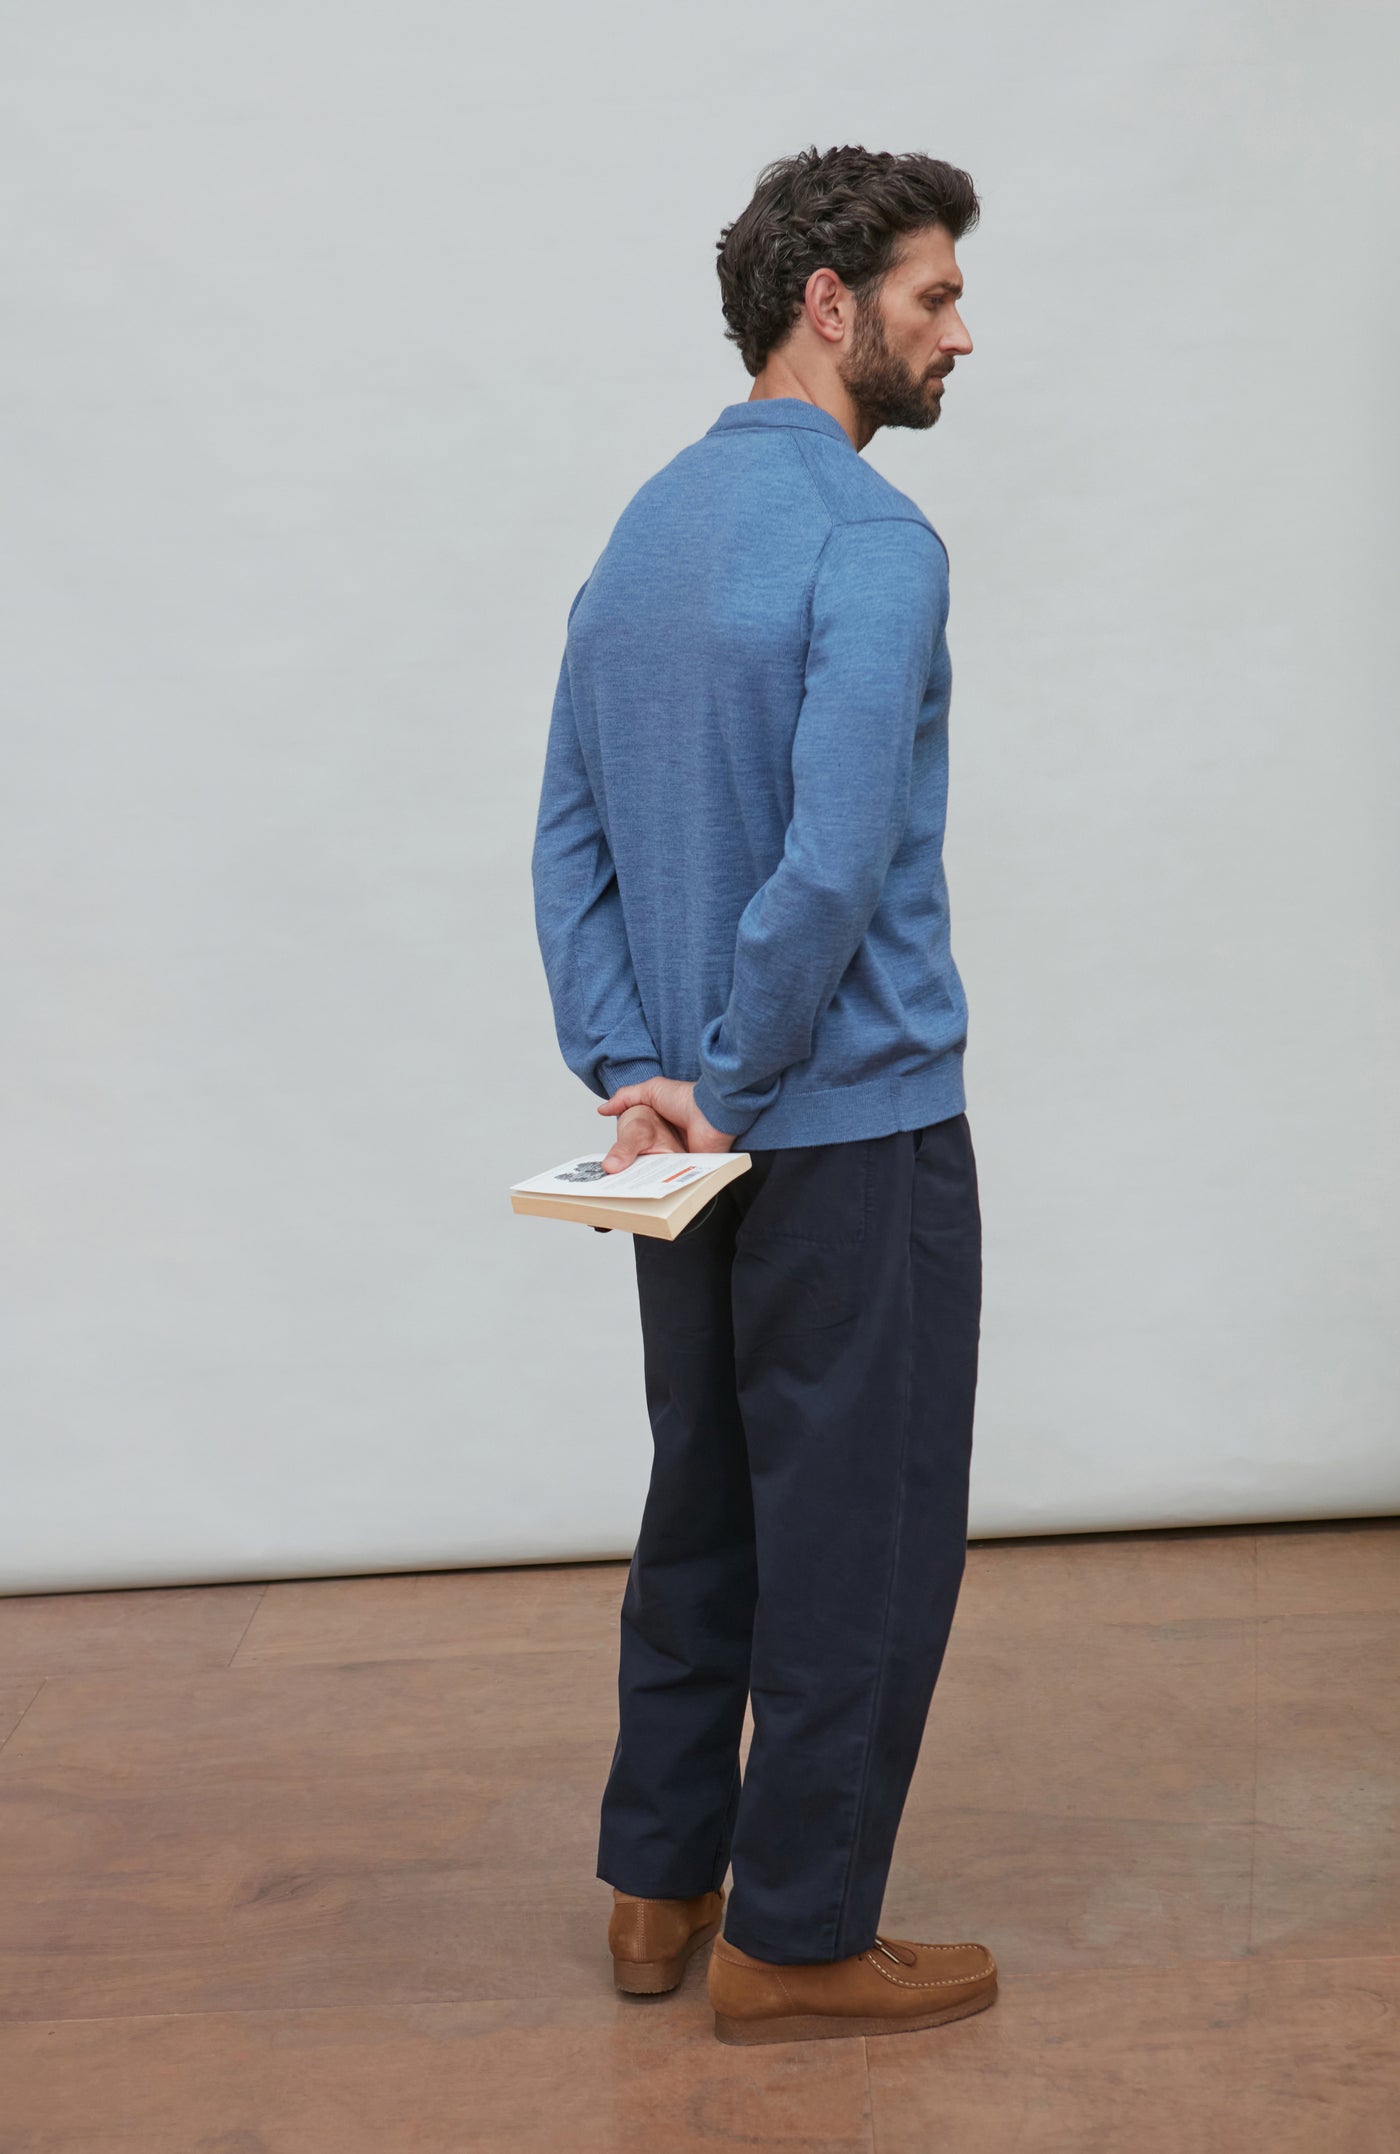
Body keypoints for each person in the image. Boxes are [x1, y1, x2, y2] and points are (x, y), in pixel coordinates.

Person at [530, 143, 995, 2045]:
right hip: (848, 1127)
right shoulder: (875, 543)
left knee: (702, 1502)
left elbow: (568, 827)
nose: (962, 332)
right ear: (831, 304)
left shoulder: (642, 526)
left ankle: (659, 1889)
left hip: (688, 1154)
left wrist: (635, 1069)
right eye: (933, 293)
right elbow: (834, 856)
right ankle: (799, 1938)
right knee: (859, 1532)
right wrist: (727, 1081)